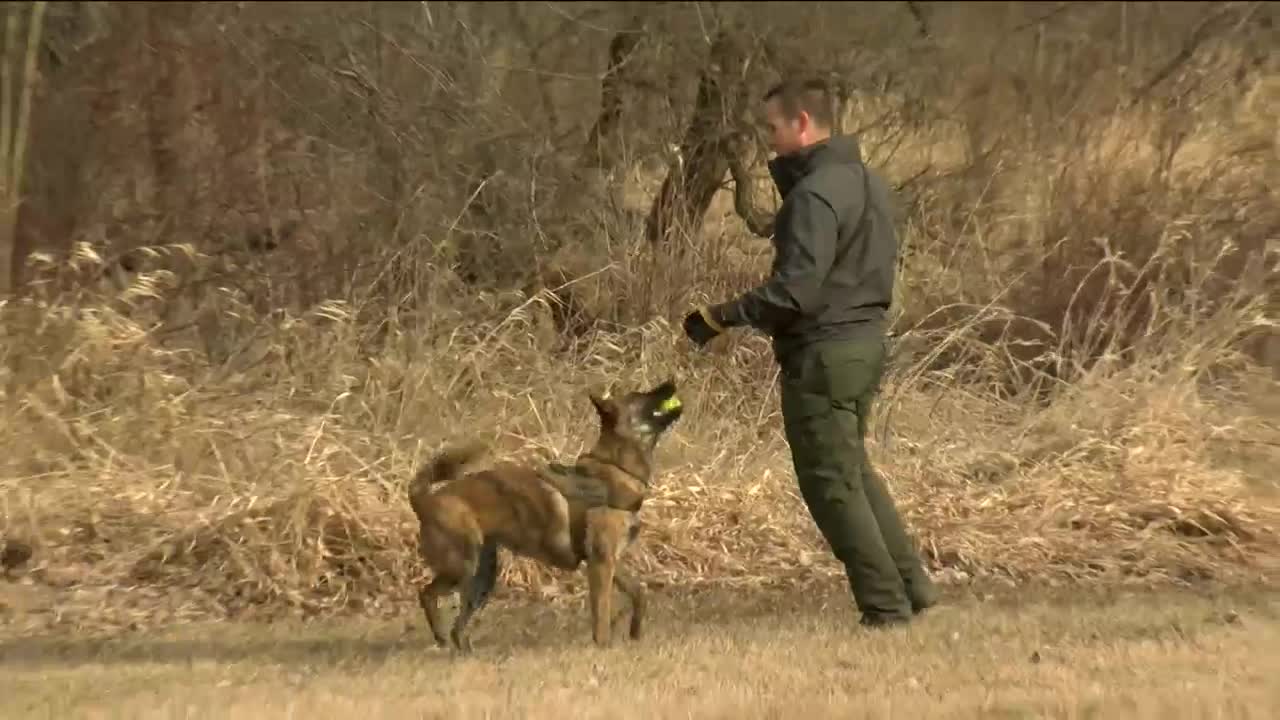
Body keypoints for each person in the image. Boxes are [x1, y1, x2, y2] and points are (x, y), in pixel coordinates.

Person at [682, 77, 937, 627]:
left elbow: (796, 291)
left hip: (824, 353)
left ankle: (885, 609)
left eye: (773, 128)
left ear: (801, 124)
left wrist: (718, 316)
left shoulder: (813, 196)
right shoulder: (869, 183)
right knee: (855, 473)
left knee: (830, 483)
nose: (769, 141)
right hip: (867, 344)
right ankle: (912, 587)